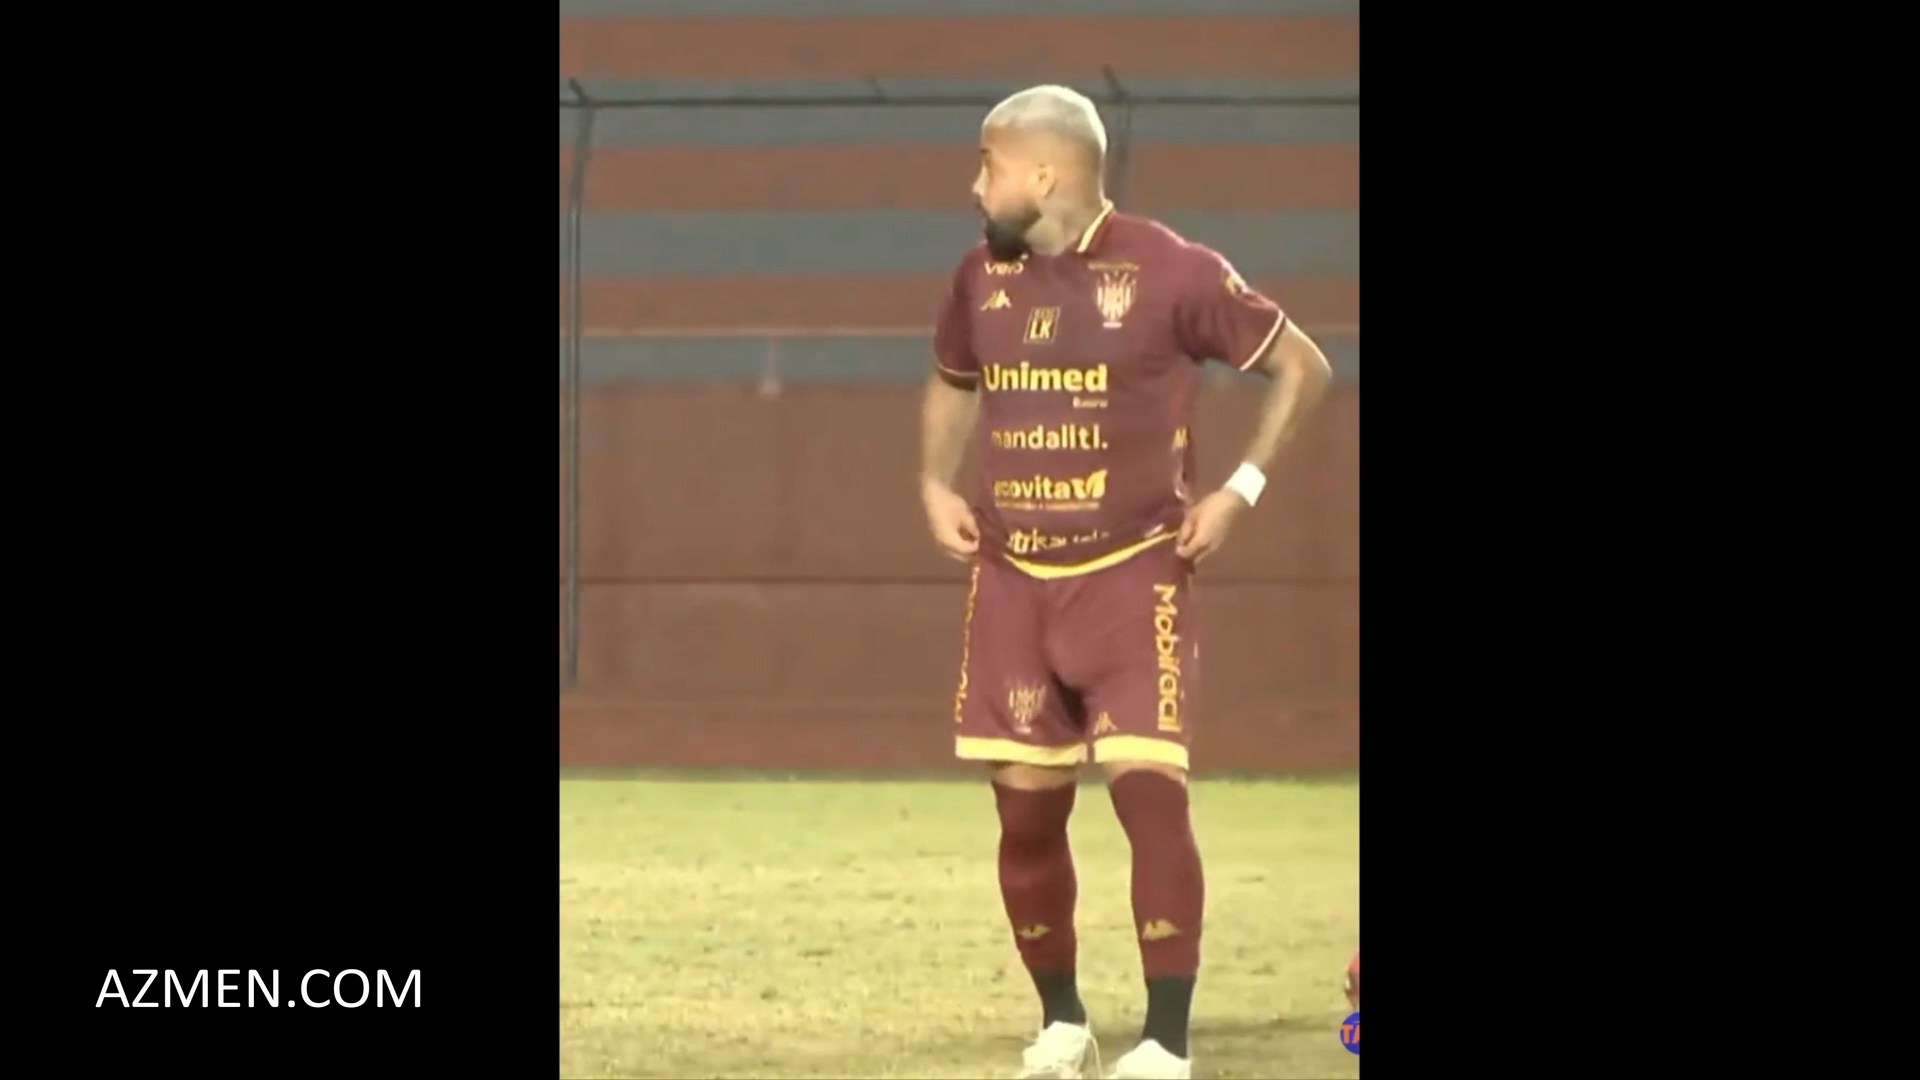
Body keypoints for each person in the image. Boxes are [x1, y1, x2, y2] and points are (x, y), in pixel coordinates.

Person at [918, 85, 1335, 1080]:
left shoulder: (1171, 270)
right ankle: (1063, 1022)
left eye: (989, 165)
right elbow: (952, 383)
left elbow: (1304, 366)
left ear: (1044, 173)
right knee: (1026, 817)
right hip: (1012, 585)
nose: (976, 185)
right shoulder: (978, 277)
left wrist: (1238, 489)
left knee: (1150, 800)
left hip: (1132, 580)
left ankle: (1166, 1040)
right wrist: (933, 483)